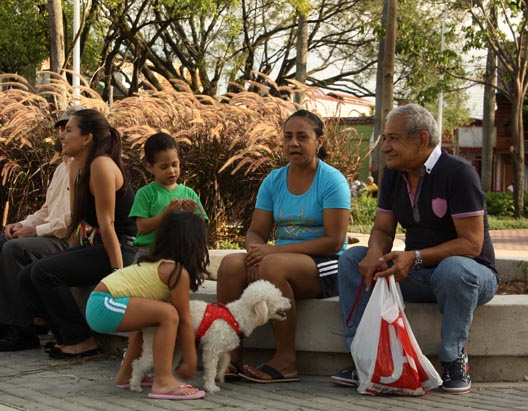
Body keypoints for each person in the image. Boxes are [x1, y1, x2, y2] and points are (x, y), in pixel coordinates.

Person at [331, 104, 498, 394]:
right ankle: (365, 359)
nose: (385, 147)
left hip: (471, 275)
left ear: (422, 139)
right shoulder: (394, 174)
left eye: (393, 139)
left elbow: (471, 244)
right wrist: (374, 254)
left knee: (453, 269)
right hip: (418, 273)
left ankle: (453, 358)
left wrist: (415, 257)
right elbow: (383, 230)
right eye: (385, 139)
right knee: (351, 259)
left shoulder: (458, 173)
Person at [216, 109, 351, 383]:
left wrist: (273, 253)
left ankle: (286, 361)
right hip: (280, 261)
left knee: (273, 265)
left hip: (327, 263)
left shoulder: (332, 180)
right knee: (230, 265)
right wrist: (255, 252)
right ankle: (231, 356)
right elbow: (256, 231)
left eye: (302, 137)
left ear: (319, 141)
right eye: (288, 137)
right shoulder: (274, 180)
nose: (293, 143)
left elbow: (334, 241)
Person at [19, 108, 138, 358]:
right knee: (28, 274)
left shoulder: (102, 165)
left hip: (121, 248)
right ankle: (65, 337)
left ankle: (81, 340)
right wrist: (69, 257)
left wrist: (119, 275)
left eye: (70, 130)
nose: (62, 136)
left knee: (43, 272)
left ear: (87, 138)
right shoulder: (76, 167)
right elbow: (77, 221)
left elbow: (108, 224)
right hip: (98, 246)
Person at [0, 107, 77, 350]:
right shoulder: (61, 168)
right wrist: (22, 224)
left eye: (68, 129)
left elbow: (73, 220)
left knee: (15, 249)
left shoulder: (86, 169)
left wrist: (35, 231)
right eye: (60, 129)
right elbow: (47, 210)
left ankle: (22, 330)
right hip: (49, 235)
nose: (62, 135)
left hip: (68, 240)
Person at [85, 210, 209, 400]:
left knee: (151, 321)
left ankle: (126, 376)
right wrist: (190, 359)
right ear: (193, 244)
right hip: (104, 304)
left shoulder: (162, 266)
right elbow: (184, 319)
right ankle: (163, 381)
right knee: (169, 314)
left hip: (101, 304)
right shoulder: (175, 271)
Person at [129, 132, 207, 262]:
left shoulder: (189, 193)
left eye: (174, 165)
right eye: (164, 167)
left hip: (181, 254)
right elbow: (142, 227)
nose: (171, 171)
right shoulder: (145, 193)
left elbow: (201, 226)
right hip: (149, 254)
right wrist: (166, 214)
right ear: (150, 167)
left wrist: (192, 214)